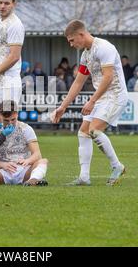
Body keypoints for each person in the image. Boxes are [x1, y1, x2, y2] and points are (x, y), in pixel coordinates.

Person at [51, 20, 128, 186]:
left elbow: (108, 77)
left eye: (72, 40)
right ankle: (84, 177)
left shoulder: (104, 47)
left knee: (94, 130)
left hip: (115, 95)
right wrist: (62, 107)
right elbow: (78, 83)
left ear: (81, 34)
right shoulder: (86, 55)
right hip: (102, 96)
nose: (71, 45)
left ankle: (117, 166)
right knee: (83, 132)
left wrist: (92, 101)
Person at [0, 100, 48, 186]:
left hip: (24, 171)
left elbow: (37, 154)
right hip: (2, 172)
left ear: (17, 114)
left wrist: (27, 160)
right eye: (6, 120)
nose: (10, 123)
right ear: (0, 115)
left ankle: (33, 180)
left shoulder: (26, 129)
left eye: (13, 119)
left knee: (43, 161)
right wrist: (2, 165)